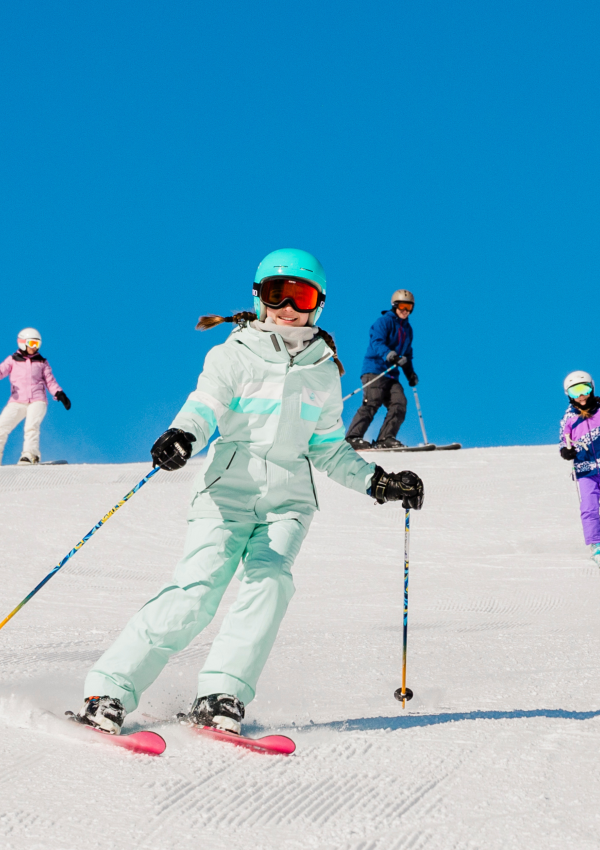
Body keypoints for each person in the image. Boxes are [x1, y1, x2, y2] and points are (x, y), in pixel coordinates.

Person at [75, 249, 424, 736]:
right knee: (197, 591)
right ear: (257, 298)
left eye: (298, 295)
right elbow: (205, 405)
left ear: (317, 303)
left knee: (270, 583)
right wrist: (183, 435)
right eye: (274, 294)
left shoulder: (325, 369)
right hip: (227, 493)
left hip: (288, 503)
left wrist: (376, 481)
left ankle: (222, 694)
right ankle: (109, 689)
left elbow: (325, 447)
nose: (286, 306)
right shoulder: (233, 353)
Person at [346, 290, 419, 450]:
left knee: (399, 403)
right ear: (395, 306)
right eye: (402, 306)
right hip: (375, 370)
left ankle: (386, 438)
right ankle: (352, 437)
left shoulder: (408, 330)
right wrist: (390, 355)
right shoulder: (384, 322)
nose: (405, 310)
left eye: (409, 307)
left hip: (392, 375)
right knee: (373, 401)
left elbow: (407, 354)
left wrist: (410, 374)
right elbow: (377, 342)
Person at [0, 328, 71, 465]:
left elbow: (50, 381)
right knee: (1, 426)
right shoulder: (13, 360)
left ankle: (30, 454)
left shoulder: (42, 362)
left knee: (31, 427)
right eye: (32, 343)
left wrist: (59, 393)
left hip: (38, 400)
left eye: (37, 344)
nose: (34, 347)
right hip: (17, 401)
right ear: (22, 343)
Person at [560, 371, 600, 566]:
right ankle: (596, 544)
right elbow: (563, 439)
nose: (581, 396)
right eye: (576, 392)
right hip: (585, 470)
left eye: (585, 389)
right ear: (569, 395)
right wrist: (565, 451)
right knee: (589, 507)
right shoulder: (568, 418)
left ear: (592, 388)